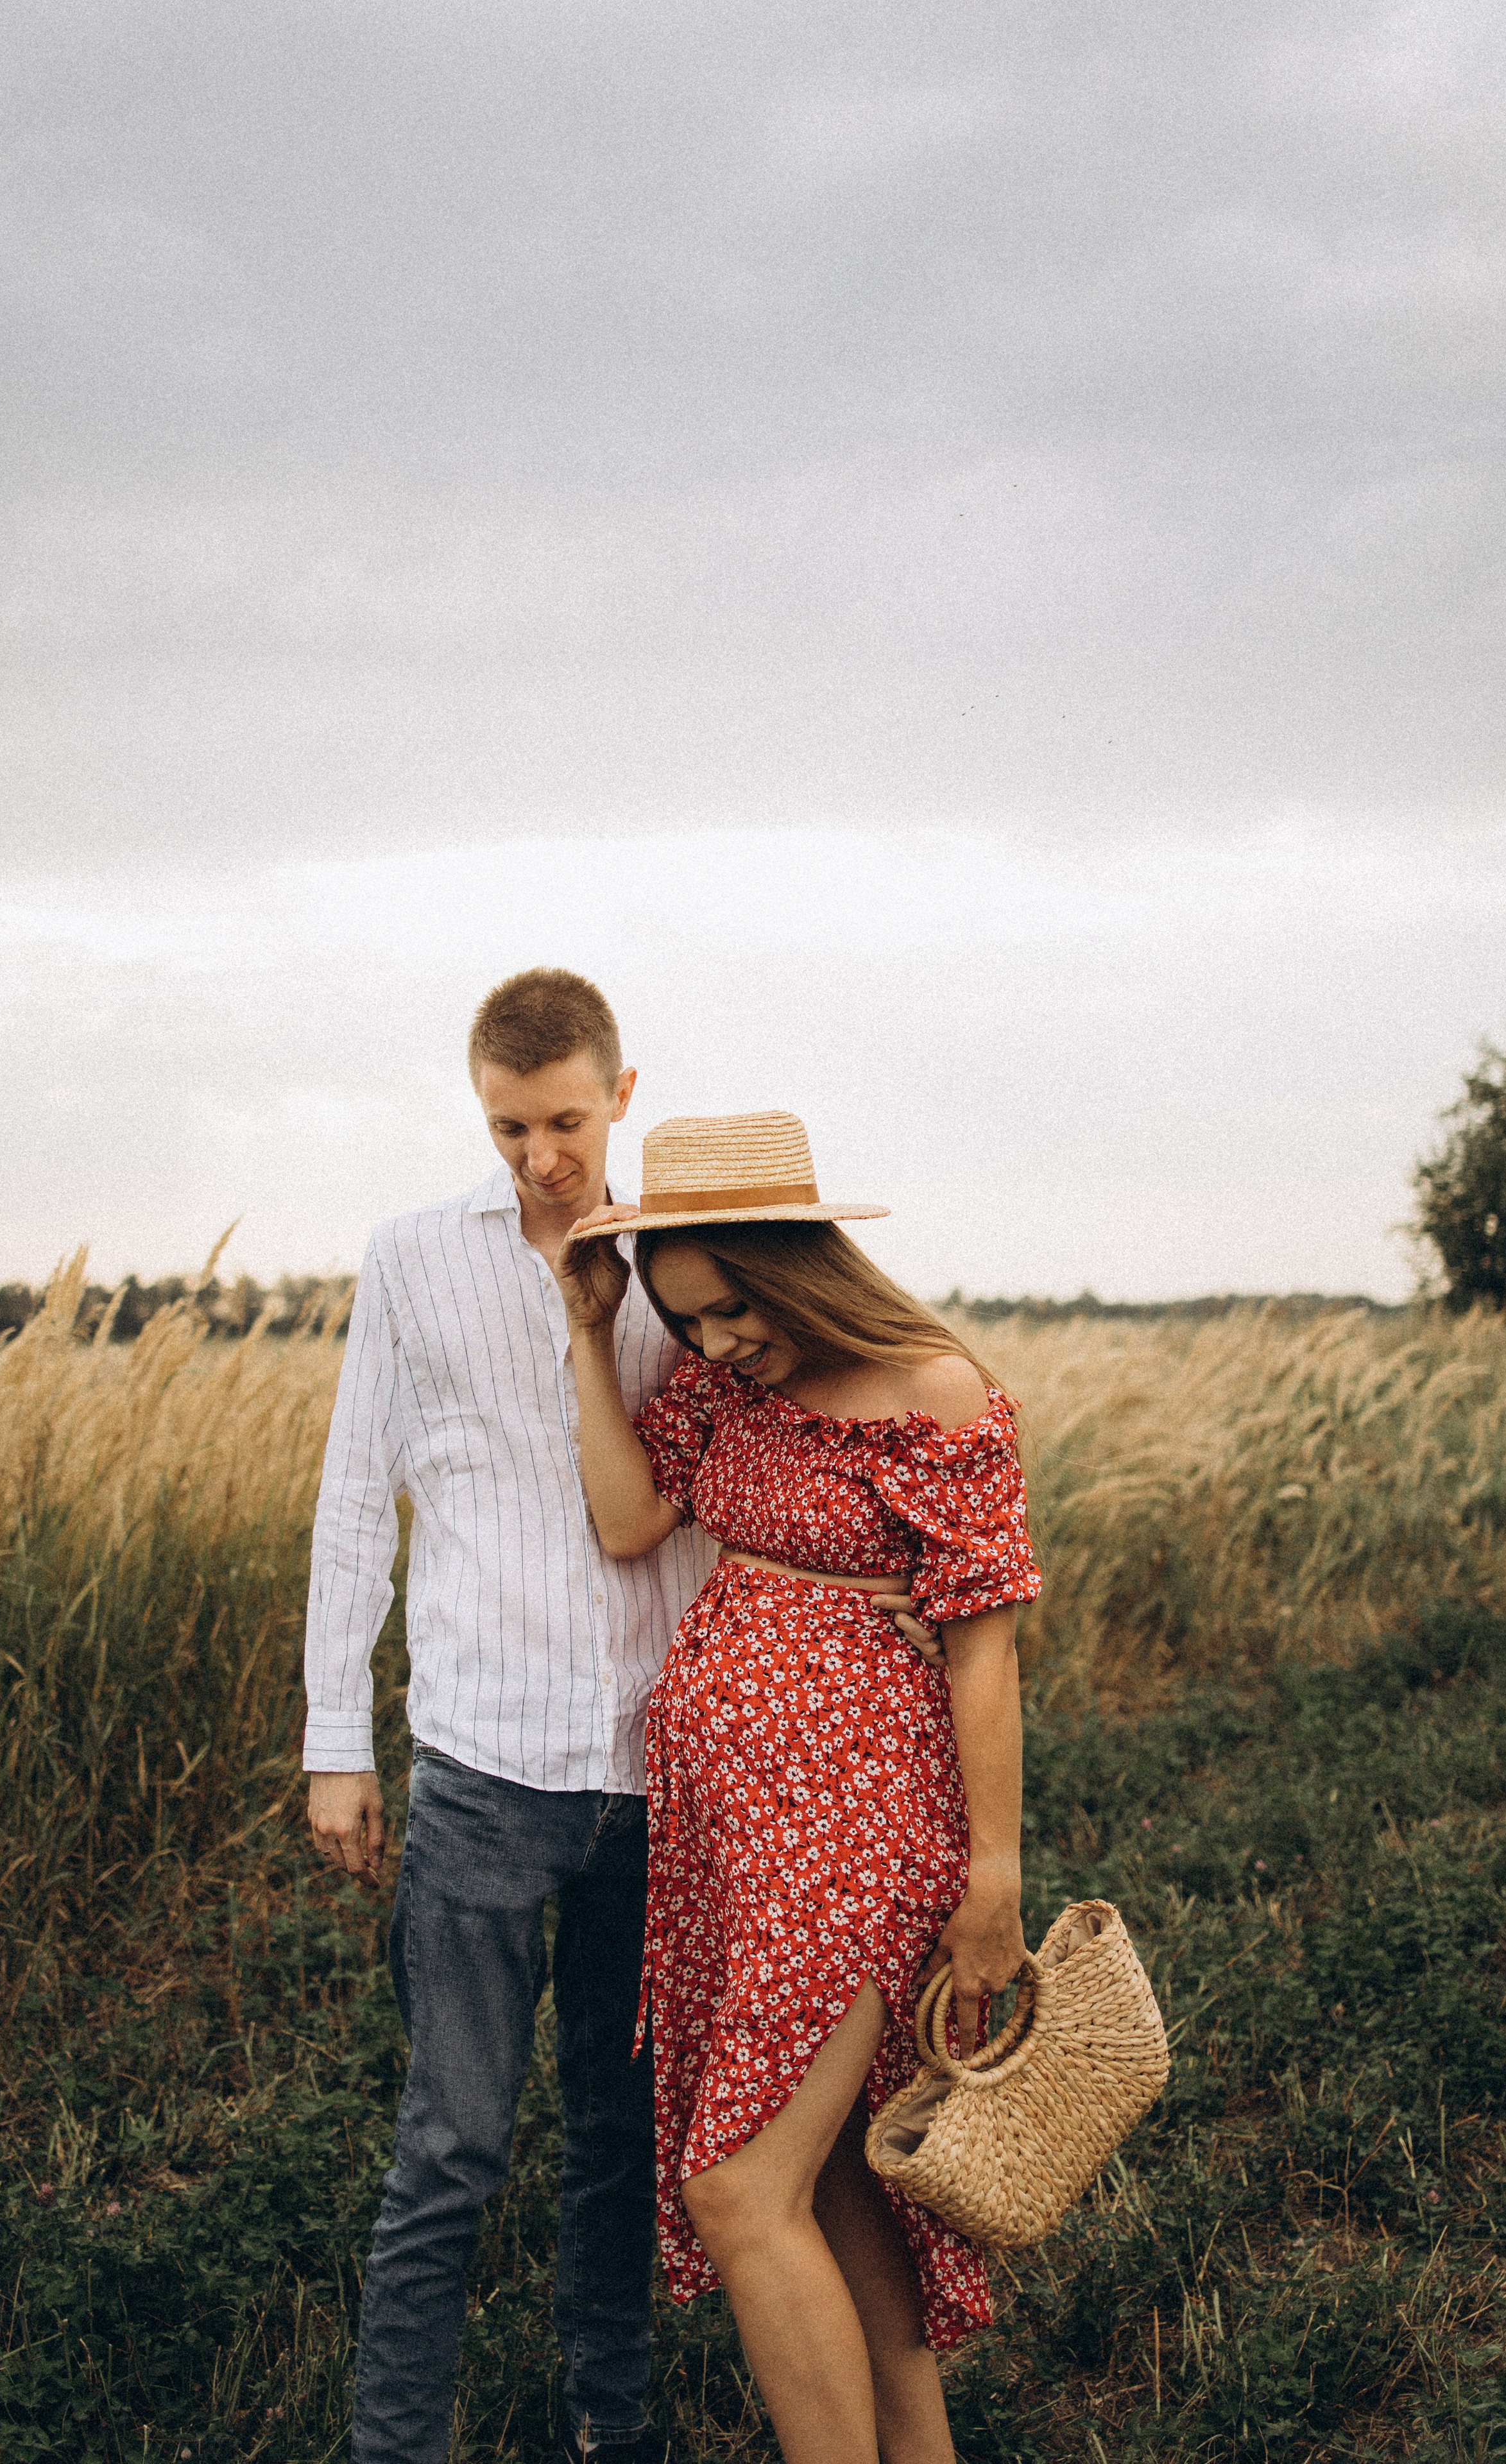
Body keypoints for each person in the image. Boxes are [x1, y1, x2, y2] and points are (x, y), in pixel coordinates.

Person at [553, 1109, 1042, 2464]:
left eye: (731, 1309)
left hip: (859, 1837)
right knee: (832, 2189)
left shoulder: (934, 1392)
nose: (714, 1341)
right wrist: (593, 1333)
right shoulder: (727, 1394)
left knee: (736, 2189)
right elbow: (627, 1519)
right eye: (685, 1318)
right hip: (739, 1845)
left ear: (795, 1265)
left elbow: (984, 1652)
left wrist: (993, 1880)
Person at [302, 968, 723, 2464]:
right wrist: (336, 1742)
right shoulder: (414, 1257)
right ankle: (395, 2447)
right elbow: (357, 1501)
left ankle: (611, 2420)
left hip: (658, 1768)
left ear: (620, 1096)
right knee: (451, 2145)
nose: (540, 1155)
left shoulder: (687, 1265)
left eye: (563, 1122)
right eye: (506, 1127)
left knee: (620, 2138)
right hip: (483, 1767)